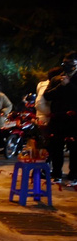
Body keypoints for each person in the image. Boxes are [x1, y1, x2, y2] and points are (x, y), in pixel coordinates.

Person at [43, 52, 77, 185]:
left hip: (74, 120)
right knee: (56, 147)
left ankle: (73, 176)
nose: (67, 66)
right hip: (58, 118)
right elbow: (47, 95)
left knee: (74, 148)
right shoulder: (57, 78)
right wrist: (61, 85)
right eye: (65, 63)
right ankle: (56, 173)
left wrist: (69, 85)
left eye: (70, 63)